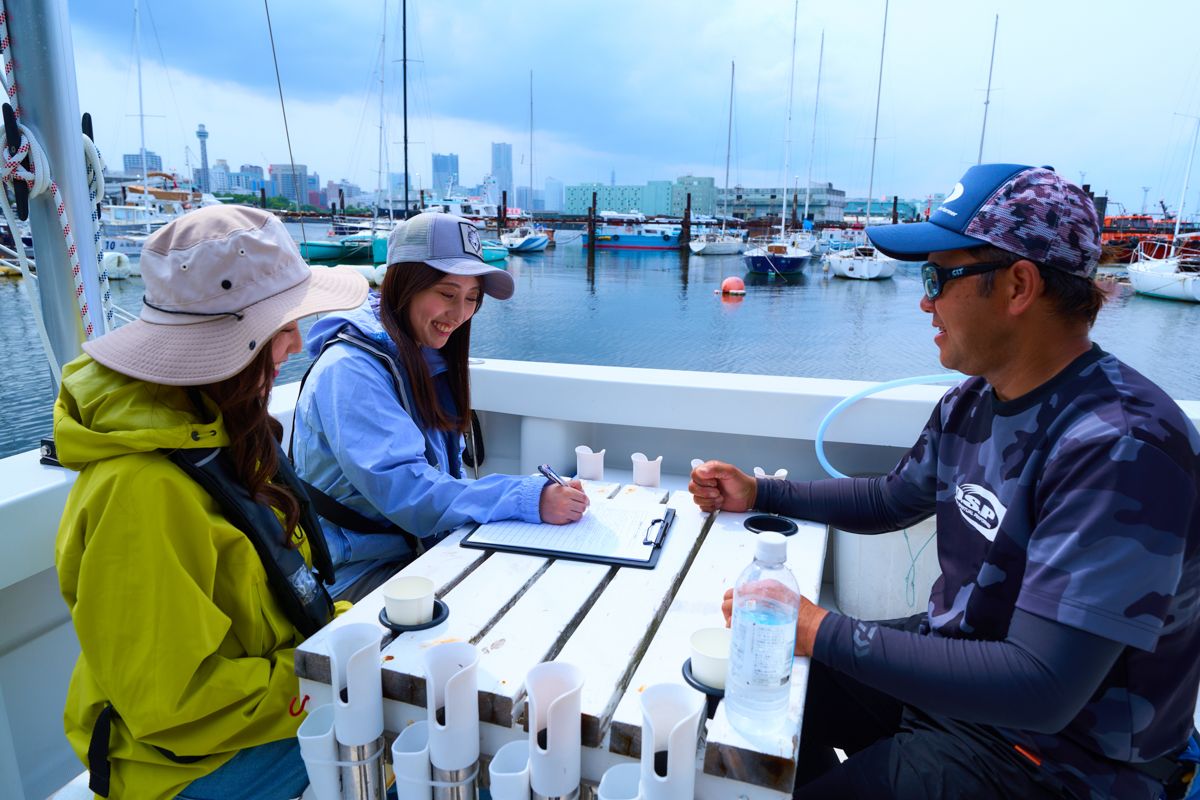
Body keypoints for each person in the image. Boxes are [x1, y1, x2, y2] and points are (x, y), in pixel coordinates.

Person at [691, 164, 1200, 800]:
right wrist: (762, 494)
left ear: (1018, 285)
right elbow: (890, 498)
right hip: (961, 678)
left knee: (802, 662)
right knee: (743, 686)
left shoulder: (1121, 448)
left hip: (1059, 759)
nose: (925, 301)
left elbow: (1042, 685)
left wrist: (820, 629)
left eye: (937, 277)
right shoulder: (975, 400)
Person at [54, 206, 369, 800]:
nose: (297, 342)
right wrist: (336, 672)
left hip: (249, 719)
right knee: (426, 752)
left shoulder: (215, 427)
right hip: (179, 768)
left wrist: (351, 637)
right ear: (233, 343)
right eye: (282, 325)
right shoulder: (140, 494)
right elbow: (176, 704)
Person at [292, 211, 589, 600]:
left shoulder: (422, 357)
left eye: (472, 298)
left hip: (415, 551)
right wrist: (526, 498)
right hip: (352, 572)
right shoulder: (350, 370)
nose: (459, 314)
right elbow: (406, 491)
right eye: (447, 294)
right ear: (404, 284)